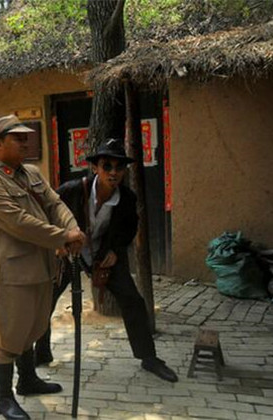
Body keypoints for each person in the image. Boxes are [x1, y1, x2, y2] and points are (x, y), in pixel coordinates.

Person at [35, 138, 178, 383]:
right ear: (95, 168)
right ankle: (41, 351)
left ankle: (149, 358)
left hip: (103, 256)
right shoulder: (72, 190)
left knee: (133, 301)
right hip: (68, 253)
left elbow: (130, 227)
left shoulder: (127, 199)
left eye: (118, 167)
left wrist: (115, 249)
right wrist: (58, 244)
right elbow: (47, 214)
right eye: (107, 166)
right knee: (45, 299)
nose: (113, 172)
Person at [0, 115, 85, 419]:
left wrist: (72, 229)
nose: (26, 142)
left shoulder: (31, 173)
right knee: (8, 337)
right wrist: (64, 236)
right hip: (12, 274)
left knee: (32, 329)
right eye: (18, 138)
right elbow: (19, 223)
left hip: (42, 266)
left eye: (27, 137)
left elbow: (55, 204)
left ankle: (27, 380)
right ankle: (3, 399)